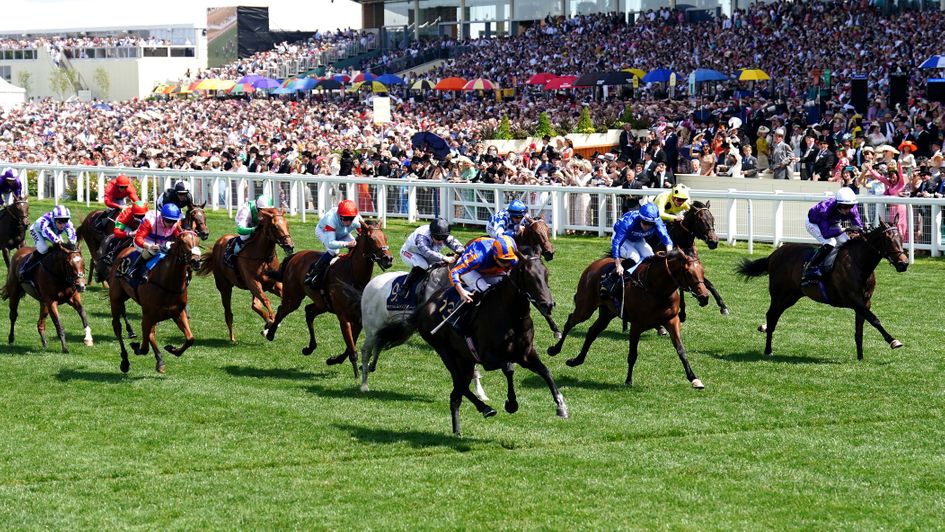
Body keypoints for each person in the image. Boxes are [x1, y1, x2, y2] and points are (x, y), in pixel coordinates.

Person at [802, 187, 863, 286]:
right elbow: (826, 234)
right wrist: (844, 229)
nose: (848, 210)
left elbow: (859, 226)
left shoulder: (853, 209)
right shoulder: (824, 210)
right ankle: (811, 267)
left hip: (833, 222)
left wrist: (857, 232)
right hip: (814, 224)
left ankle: (839, 266)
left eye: (850, 206)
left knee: (845, 242)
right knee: (831, 243)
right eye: (844, 207)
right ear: (838, 205)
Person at [398, 217, 464, 298]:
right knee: (423, 265)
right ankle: (405, 286)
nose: (440, 241)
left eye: (443, 238)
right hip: (409, 252)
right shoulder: (421, 236)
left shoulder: (443, 235)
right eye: (437, 238)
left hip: (427, 253)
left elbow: (458, 246)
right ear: (431, 233)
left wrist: (459, 250)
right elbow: (426, 252)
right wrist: (444, 257)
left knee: (440, 266)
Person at [305, 199, 362, 289]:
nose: (349, 222)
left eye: (351, 219)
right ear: (339, 216)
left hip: (343, 233)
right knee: (334, 251)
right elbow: (331, 243)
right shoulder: (331, 219)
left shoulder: (357, 219)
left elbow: (363, 233)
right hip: (323, 232)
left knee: (357, 247)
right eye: (346, 219)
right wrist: (346, 244)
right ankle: (313, 274)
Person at [611, 202, 673, 280]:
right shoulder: (628, 222)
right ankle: (614, 277)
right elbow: (617, 243)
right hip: (623, 240)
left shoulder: (657, 222)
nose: (648, 226)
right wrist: (618, 265)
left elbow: (666, 238)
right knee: (635, 257)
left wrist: (670, 253)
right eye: (645, 223)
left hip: (638, 238)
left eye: (651, 224)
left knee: (650, 257)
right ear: (640, 218)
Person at [450, 235, 519, 304]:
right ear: (494, 256)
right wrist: (461, 292)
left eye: (510, 260)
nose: (507, 264)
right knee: (485, 289)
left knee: (506, 284)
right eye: (503, 261)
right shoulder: (477, 256)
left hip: (488, 268)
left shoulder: (512, 257)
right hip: (469, 270)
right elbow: (454, 271)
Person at [128, 203, 182, 281]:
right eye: (168, 221)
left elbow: (179, 237)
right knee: (153, 251)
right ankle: (134, 269)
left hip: (163, 241)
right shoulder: (150, 220)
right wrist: (149, 246)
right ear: (162, 218)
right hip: (146, 240)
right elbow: (138, 238)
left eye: (173, 221)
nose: (171, 224)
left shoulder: (176, 222)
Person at [22, 205, 77, 275]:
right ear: (54, 220)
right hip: (37, 231)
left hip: (53, 232)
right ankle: (26, 266)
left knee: (62, 250)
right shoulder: (46, 223)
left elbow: (72, 234)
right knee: (43, 249)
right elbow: (51, 236)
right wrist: (60, 243)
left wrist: (71, 243)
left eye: (65, 221)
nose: (62, 225)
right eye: (60, 222)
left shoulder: (68, 223)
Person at [99, 200, 148, 272]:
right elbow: (117, 232)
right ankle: (112, 254)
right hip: (126, 225)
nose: (140, 218)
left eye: (142, 216)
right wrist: (130, 234)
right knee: (123, 237)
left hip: (138, 225)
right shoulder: (126, 214)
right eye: (138, 216)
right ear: (133, 213)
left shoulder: (148, 215)